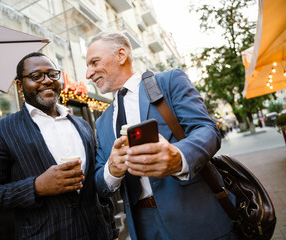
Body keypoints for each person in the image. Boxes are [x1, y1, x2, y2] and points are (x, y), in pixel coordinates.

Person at [86, 32, 236, 240]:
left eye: (94, 62)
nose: (88, 74)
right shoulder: (102, 122)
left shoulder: (169, 81)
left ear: (121, 55)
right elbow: (100, 184)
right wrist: (112, 169)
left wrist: (178, 158)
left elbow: (206, 129)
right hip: (144, 227)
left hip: (196, 215)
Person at [0, 52, 116, 239]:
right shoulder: (2, 131)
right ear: (20, 85)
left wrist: (111, 230)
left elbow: (97, 188)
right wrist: (37, 186)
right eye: (36, 76)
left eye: (52, 74)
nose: (47, 80)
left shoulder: (82, 125)